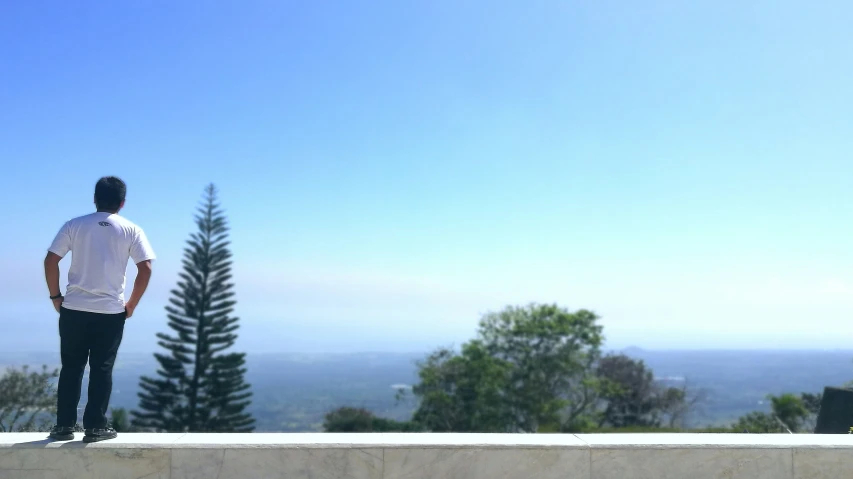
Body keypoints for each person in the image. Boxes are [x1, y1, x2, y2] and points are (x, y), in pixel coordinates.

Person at [44, 176, 155, 442]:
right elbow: (146, 268)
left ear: (95, 199)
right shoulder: (132, 229)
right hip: (111, 311)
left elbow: (51, 261)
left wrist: (55, 296)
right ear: (122, 202)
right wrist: (131, 305)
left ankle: (63, 426)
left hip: (73, 308)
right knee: (102, 368)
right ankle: (95, 427)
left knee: (71, 367)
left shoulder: (74, 225)